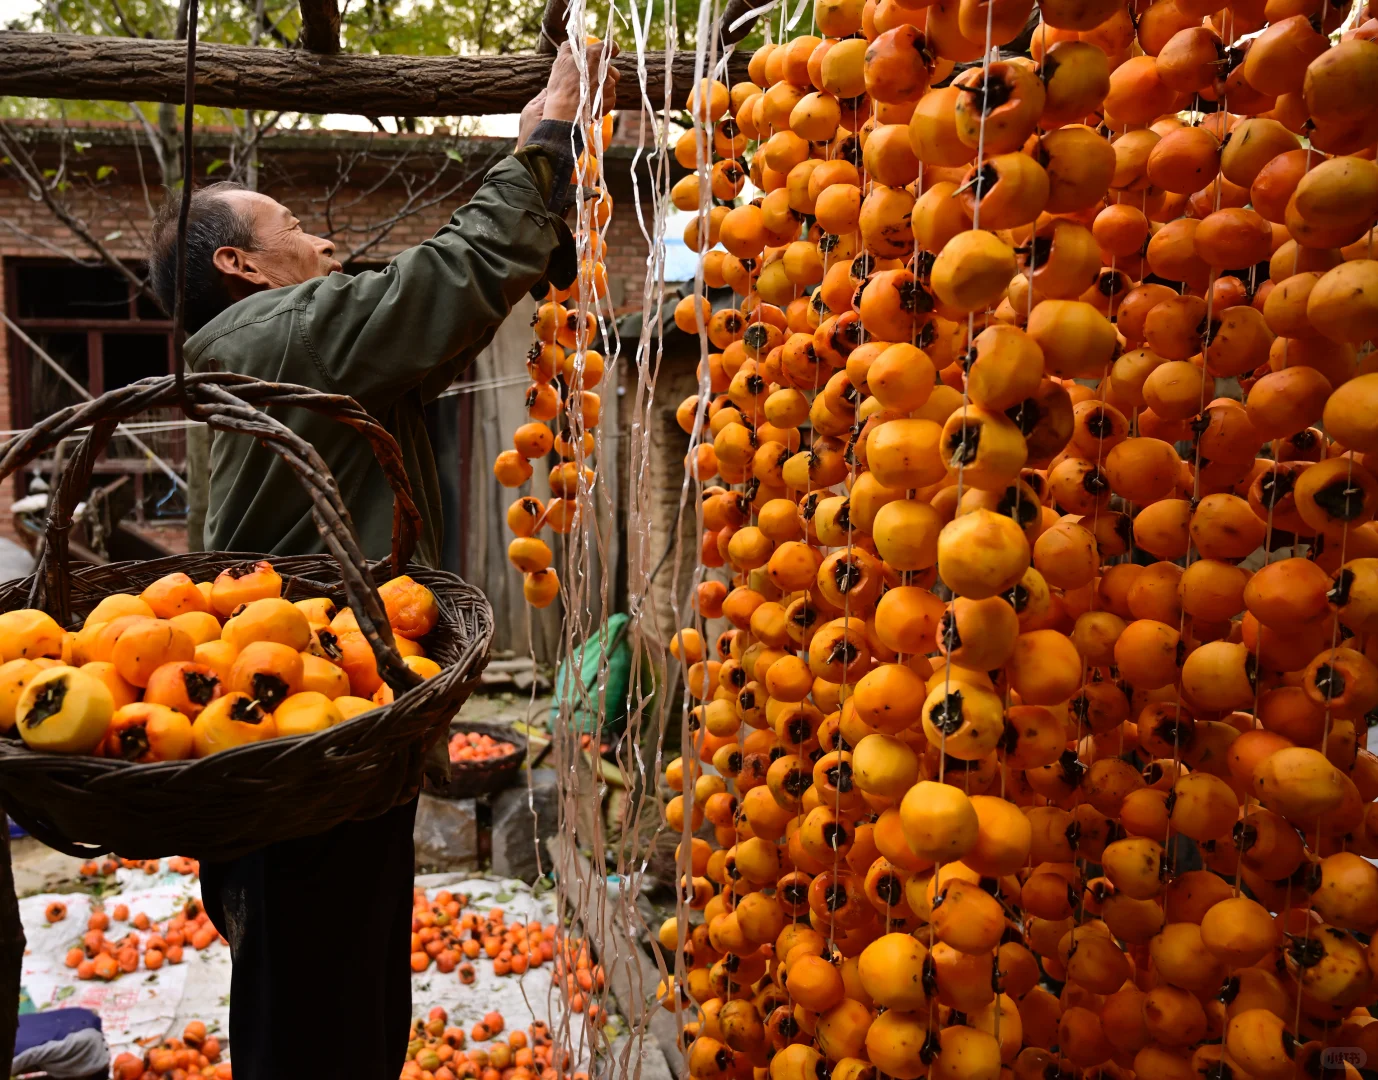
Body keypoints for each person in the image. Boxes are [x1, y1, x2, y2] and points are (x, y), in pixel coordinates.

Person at [144, 41, 618, 1079]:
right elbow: (440, 283)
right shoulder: (276, 335)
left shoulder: (280, 350)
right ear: (239, 267)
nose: (321, 238)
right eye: (292, 226)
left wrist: (538, 216)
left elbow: (435, 315)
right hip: (306, 737)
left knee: (327, 982)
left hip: (320, 723)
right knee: (317, 1002)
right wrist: (543, 141)